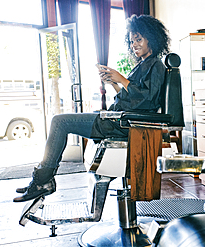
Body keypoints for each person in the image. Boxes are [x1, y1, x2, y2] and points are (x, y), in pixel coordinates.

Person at [14, 14, 171, 202]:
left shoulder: (156, 66)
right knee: (61, 121)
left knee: (60, 122)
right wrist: (114, 83)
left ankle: (42, 181)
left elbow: (148, 100)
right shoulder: (142, 65)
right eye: (131, 41)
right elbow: (130, 97)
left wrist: (121, 78)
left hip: (123, 125)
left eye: (138, 39)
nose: (134, 45)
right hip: (118, 119)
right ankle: (43, 179)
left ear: (152, 38)